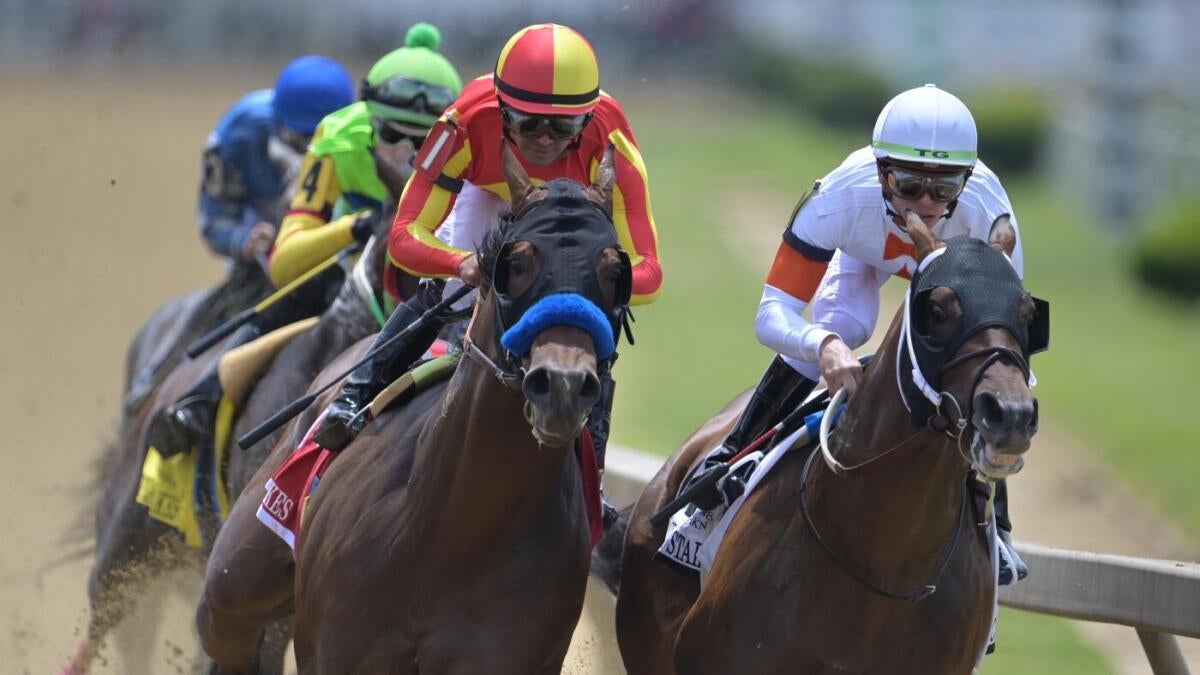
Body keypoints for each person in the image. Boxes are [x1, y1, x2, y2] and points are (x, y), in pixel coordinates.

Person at [310, 24, 664, 521]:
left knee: (594, 319)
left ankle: (592, 476)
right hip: (487, 193)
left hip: (570, 215)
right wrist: (462, 263)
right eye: (526, 123)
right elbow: (405, 235)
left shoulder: (614, 142)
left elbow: (650, 271)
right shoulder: (462, 124)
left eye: (562, 128)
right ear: (500, 109)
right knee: (449, 291)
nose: (544, 140)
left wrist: (599, 287)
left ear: (587, 119)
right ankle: (355, 395)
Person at [683, 83, 1027, 583]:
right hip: (862, 255)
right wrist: (823, 346)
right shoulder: (838, 198)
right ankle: (733, 455)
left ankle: (997, 524)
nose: (926, 202)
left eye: (945, 188)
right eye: (908, 183)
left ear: (967, 180)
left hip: (956, 279)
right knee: (847, 324)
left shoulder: (988, 214)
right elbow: (773, 313)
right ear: (881, 171)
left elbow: (1005, 339)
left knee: (976, 364)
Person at [149, 24, 462, 457]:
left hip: (429, 272)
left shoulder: (467, 151)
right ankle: (201, 398)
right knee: (291, 296)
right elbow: (284, 262)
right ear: (367, 120)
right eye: (391, 135)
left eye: (423, 140)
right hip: (347, 268)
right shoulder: (337, 139)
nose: (405, 152)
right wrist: (351, 228)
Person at [124, 54, 355, 411]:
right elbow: (213, 219)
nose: (313, 152)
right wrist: (243, 240)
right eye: (302, 141)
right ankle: (160, 385)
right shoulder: (237, 134)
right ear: (276, 124)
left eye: (324, 140)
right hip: (264, 257)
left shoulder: (365, 135)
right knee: (221, 315)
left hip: (334, 253)